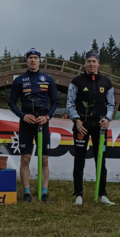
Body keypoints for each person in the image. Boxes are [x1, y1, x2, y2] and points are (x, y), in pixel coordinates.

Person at [8, 48, 59, 203]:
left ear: (39, 60)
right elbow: (11, 102)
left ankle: (44, 193)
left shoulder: (48, 79)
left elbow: (56, 101)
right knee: (25, 159)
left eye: (36, 57)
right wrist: (23, 116)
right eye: (30, 57)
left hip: (43, 122)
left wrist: (47, 116)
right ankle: (27, 193)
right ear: (27, 60)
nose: (33, 60)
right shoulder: (19, 80)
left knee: (44, 160)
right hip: (26, 123)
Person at [66, 50, 115, 205]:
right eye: (89, 61)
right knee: (79, 160)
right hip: (82, 126)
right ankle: (78, 194)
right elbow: (69, 104)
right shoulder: (76, 81)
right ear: (85, 63)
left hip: (100, 127)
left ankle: (102, 194)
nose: (91, 64)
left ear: (98, 63)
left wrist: (107, 119)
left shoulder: (106, 82)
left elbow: (111, 104)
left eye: (94, 61)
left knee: (100, 160)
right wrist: (76, 120)